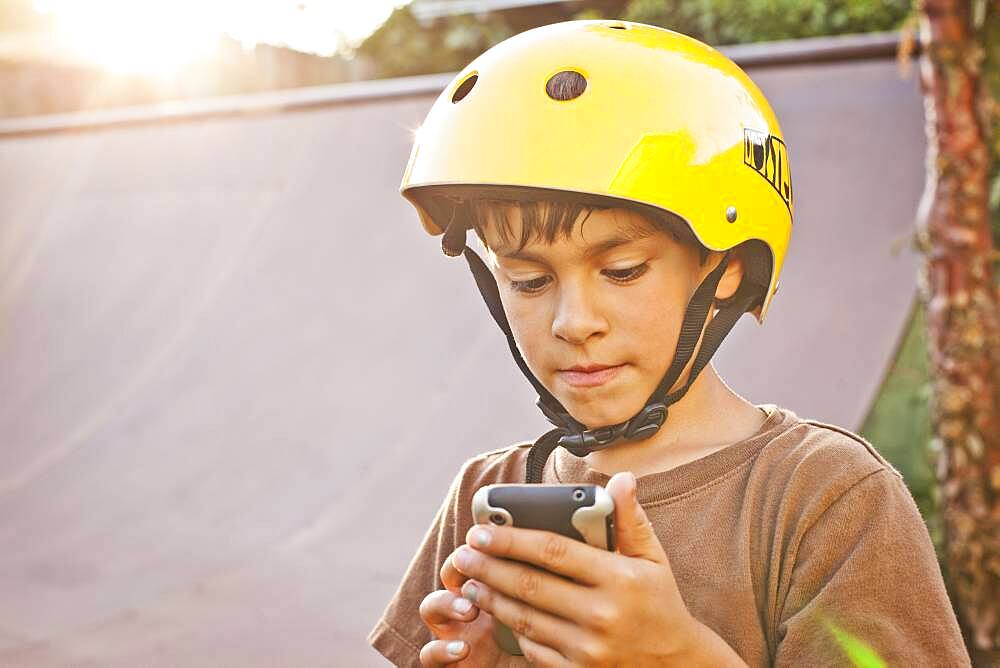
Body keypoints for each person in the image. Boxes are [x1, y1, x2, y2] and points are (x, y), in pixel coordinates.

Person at [368, 19, 970, 667]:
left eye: (622, 270)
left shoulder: (826, 499)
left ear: (727, 268)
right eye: (529, 278)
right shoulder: (489, 492)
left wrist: (677, 655)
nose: (575, 321)